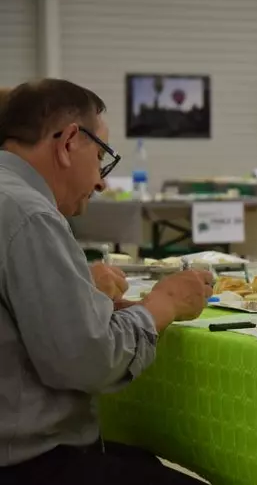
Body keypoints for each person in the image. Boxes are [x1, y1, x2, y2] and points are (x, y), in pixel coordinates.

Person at [0, 79, 214, 484]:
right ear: (67, 142)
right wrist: (161, 306)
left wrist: (81, 291)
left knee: (144, 463)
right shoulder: (30, 214)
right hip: (28, 463)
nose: (101, 181)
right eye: (100, 157)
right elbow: (88, 360)